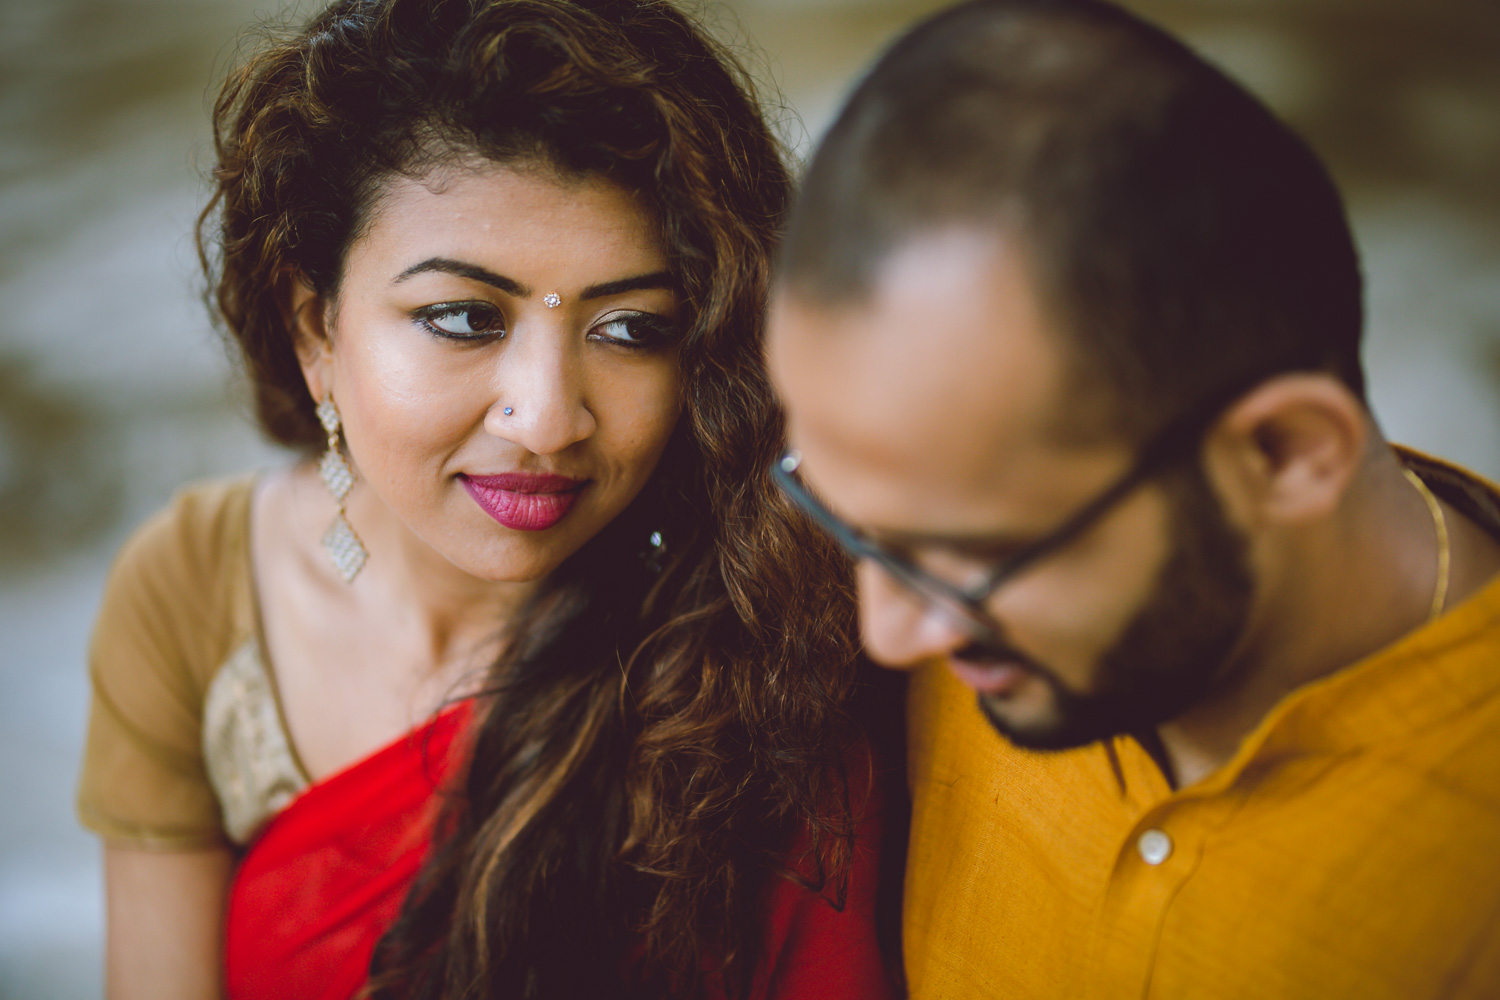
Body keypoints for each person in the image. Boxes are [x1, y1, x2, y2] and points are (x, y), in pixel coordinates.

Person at [77, 1, 900, 998]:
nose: (548, 418)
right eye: (465, 317)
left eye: (632, 329)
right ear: (315, 329)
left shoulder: (764, 633)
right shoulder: (194, 592)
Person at [765, 0, 1500, 997]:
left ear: (1285, 454)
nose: (887, 636)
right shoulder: (967, 550)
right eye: (852, 522)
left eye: (971, 556)